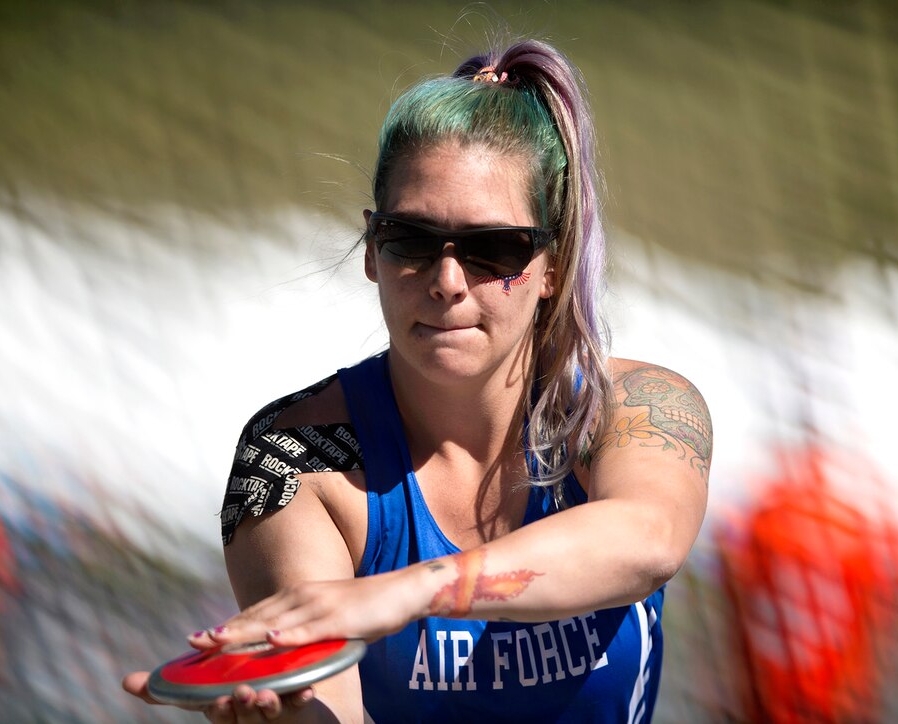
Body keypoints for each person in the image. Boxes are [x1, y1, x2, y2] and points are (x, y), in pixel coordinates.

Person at [124, 38, 710, 723]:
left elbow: (648, 540)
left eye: (494, 249)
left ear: (554, 264)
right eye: (413, 240)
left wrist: (409, 591)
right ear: (373, 249)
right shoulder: (297, 461)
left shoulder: (632, 409)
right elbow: (330, 707)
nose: (447, 283)